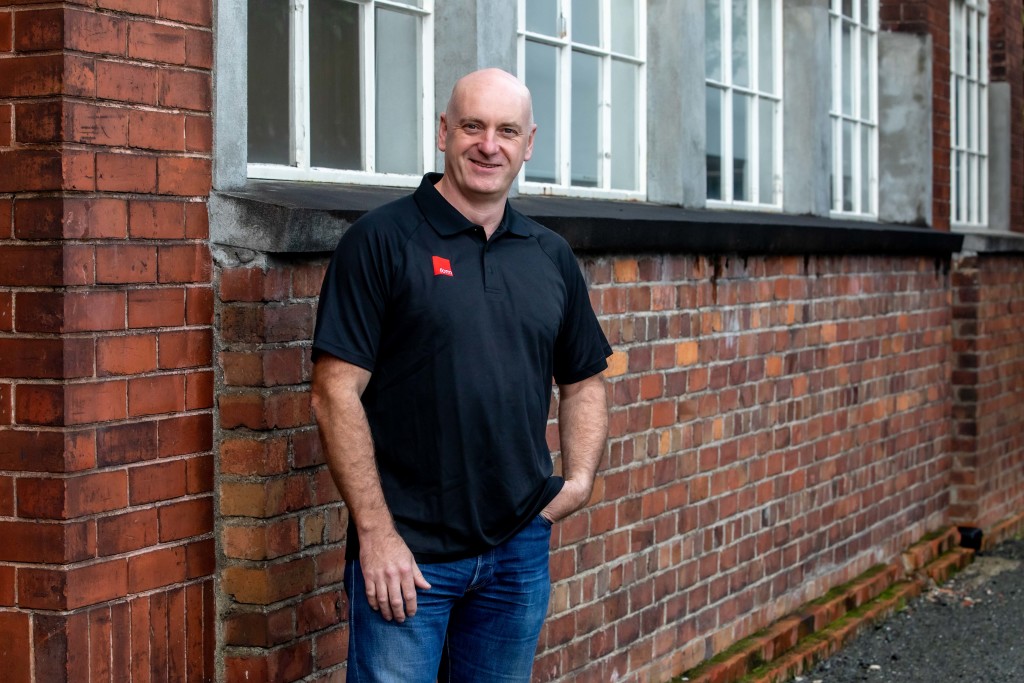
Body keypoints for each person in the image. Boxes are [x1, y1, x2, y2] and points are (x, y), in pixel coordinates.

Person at [311, 68, 611, 682]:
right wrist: (377, 535)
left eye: (507, 131)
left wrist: (578, 482)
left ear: (529, 144)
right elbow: (333, 392)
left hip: (517, 552)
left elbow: (583, 380)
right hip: (407, 558)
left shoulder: (549, 254)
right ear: (444, 131)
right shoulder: (381, 241)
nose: (489, 145)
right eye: (473, 126)